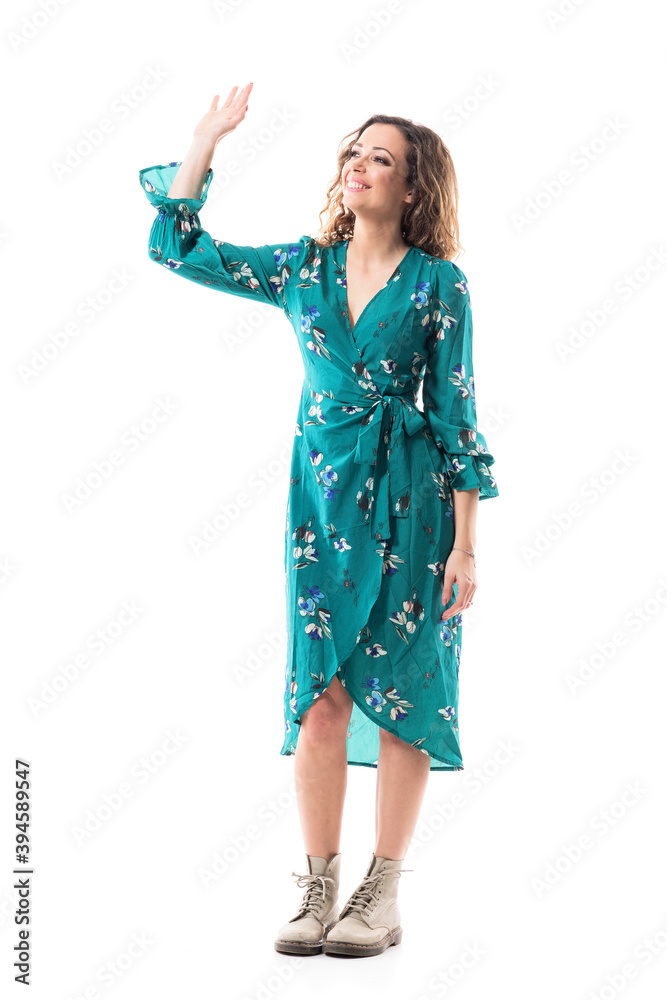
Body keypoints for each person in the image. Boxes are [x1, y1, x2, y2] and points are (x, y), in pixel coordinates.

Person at [139, 83, 500, 959]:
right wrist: (205, 141)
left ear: (411, 186)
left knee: (408, 692)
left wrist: (465, 546)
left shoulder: (439, 284)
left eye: (380, 158)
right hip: (322, 506)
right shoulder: (302, 268)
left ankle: (382, 891)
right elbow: (179, 249)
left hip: (413, 504)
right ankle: (316, 885)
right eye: (352, 152)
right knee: (320, 695)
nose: (357, 166)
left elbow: (456, 414)